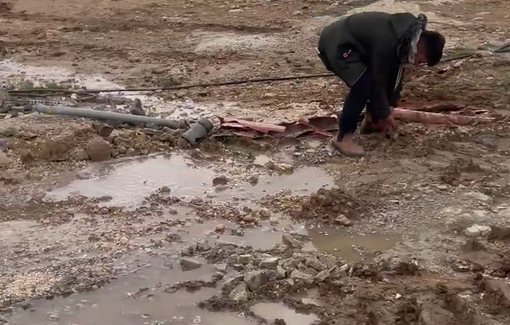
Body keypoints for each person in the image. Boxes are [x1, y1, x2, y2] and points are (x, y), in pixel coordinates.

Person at [317, 11, 445, 157]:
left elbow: (397, 75)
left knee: (381, 77)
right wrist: (384, 112)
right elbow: (378, 82)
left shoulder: (405, 39)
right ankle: (342, 138)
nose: (416, 64)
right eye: (420, 61)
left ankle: (373, 121)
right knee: (363, 84)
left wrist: (390, 105)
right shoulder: (389, 40)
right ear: (421, 46)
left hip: (359, 47)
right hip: (337, 42)